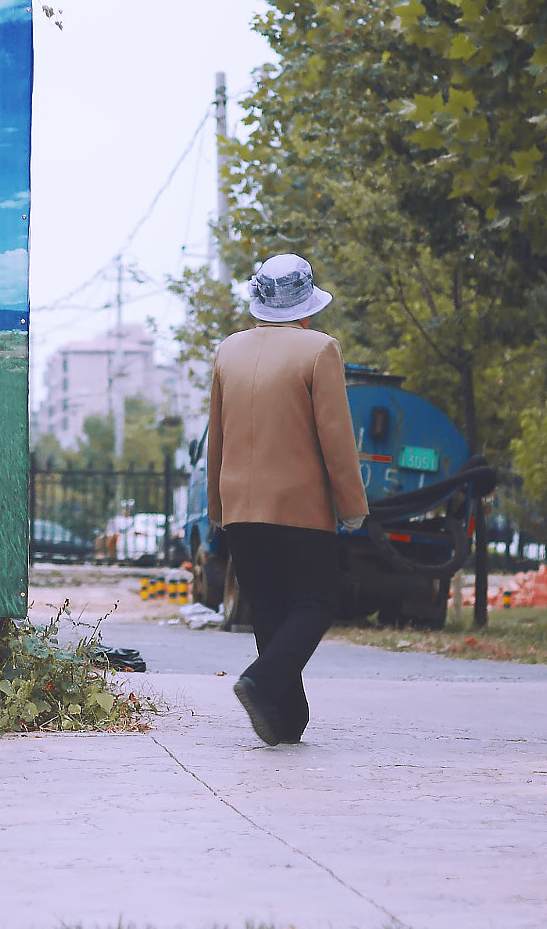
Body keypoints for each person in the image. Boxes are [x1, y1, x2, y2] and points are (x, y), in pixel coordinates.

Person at [207, 252, 368, 746]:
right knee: (318, 602)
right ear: (307, 307)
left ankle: (284, 721)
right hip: (298, 507)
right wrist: (352, 507)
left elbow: (218, 436)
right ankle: (258, 681)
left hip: (239, 506)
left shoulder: (227, 351)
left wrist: (217, 511)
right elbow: (336, 438)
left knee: (270, 609)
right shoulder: (319, 350)